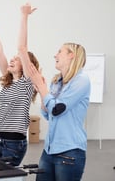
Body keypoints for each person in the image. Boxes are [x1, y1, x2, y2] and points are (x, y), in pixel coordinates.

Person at [0, 3, 39, 166]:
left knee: (7, 176)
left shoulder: (27, 82)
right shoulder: (8, 81)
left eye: (17, 59)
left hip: (15, 142)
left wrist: (24, 16)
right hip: (0, 138)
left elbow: (22, 47)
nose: (12, 59)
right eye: (13, 58)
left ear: (26, 65)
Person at [28, 43, 90, 181]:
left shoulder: (81, 80)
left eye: (59, 52)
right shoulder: (57, 81)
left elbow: (57, 109)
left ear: (71, 55)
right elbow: (48, 114)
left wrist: (43, 87)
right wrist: (42, 91)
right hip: (49, 151)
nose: (55, 55)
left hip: (70, 152)